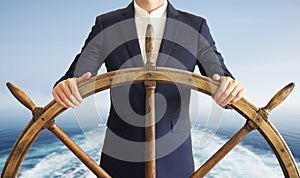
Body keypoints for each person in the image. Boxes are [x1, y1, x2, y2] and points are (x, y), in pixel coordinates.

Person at [52, 0, 245, 177]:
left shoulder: (195, 26)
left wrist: (229, 87)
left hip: (175, 157)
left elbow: (219, 76)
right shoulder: (106, 23)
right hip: (119, 155)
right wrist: (67, 85)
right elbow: (77, 75)